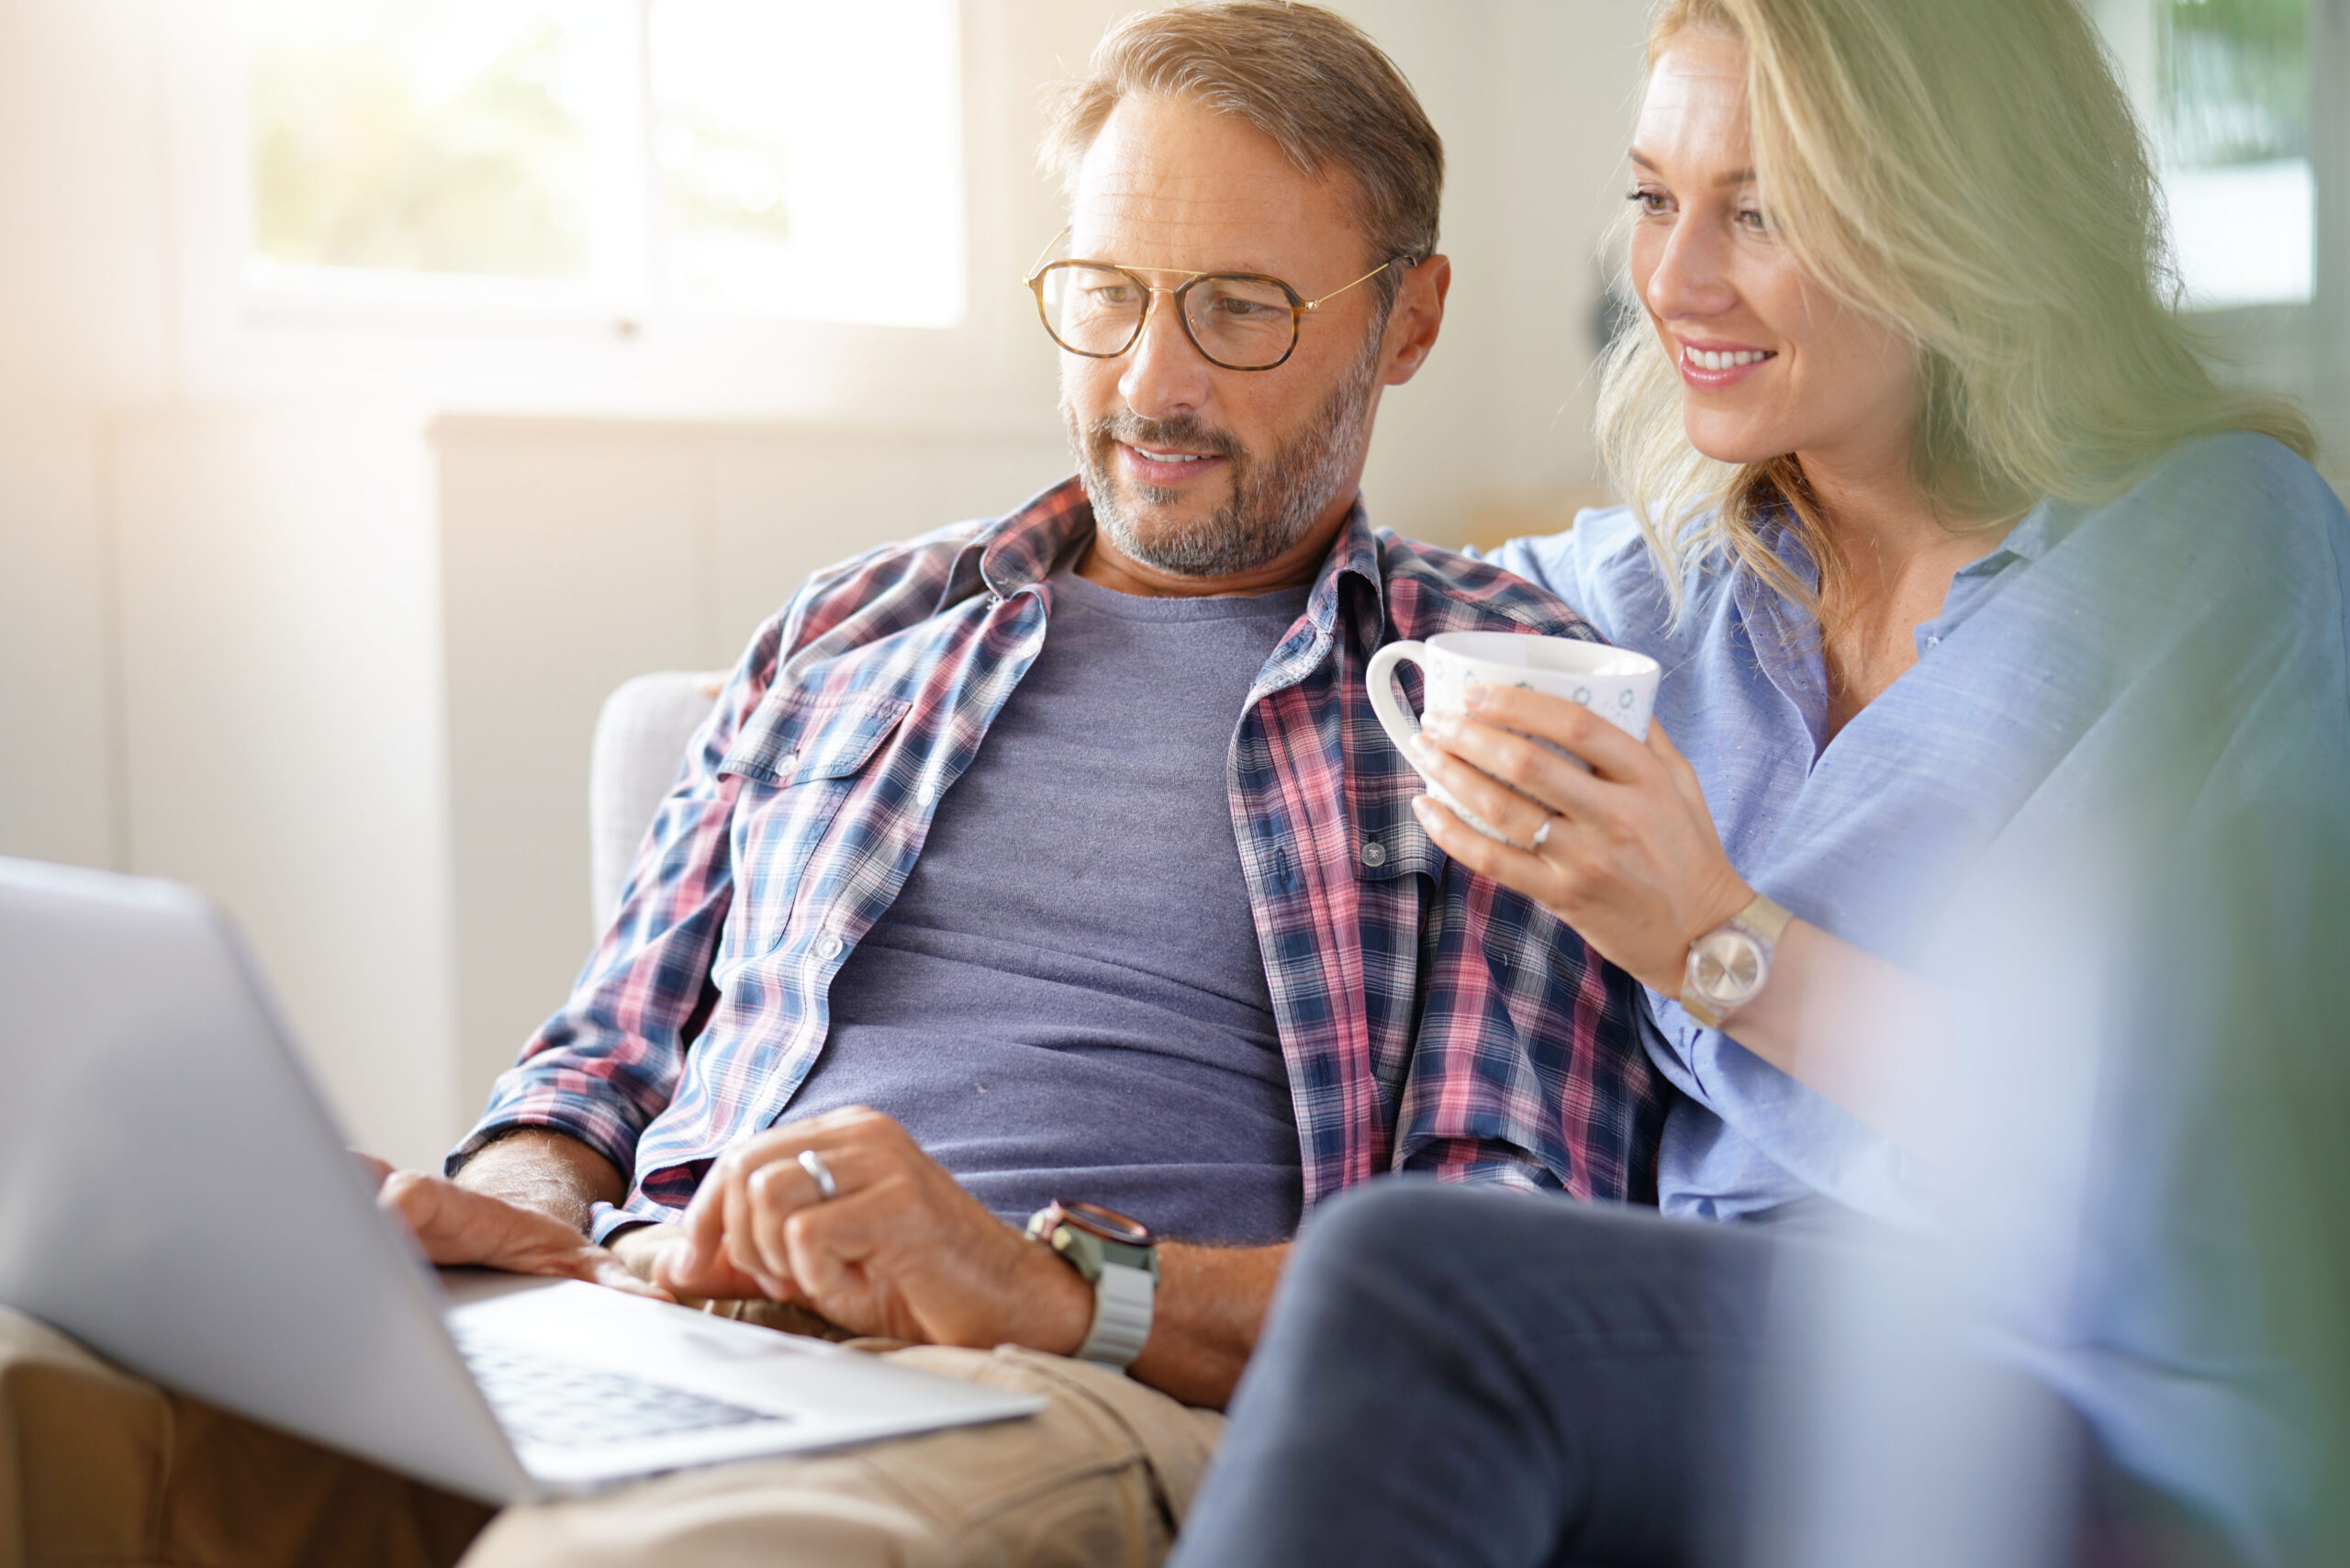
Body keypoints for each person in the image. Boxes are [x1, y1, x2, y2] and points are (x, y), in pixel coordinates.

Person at [0, 6, 1670, 1568]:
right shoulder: (858, 622)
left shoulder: (1490, 683)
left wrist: (1048, 1286)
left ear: (1411, 317)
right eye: (1106, 294)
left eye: (1241, 310)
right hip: (641, 1314)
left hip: (1045, 1393)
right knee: (37, 1401)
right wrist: (504, 1203)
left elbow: (1498, 1280)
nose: (1151, 383)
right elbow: (601, 1056)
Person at [1167, 0, 2350, 1564]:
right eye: (1656, 197)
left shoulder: (2226, 550)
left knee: (1410, 1279)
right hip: (1702, 1355)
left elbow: (2208, 1177)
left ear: (1966, 222)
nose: (1674, 278)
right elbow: (1316, 603)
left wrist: (1713, 942)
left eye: (1765, 209)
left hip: (2091, 1379)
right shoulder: (1660, 590)